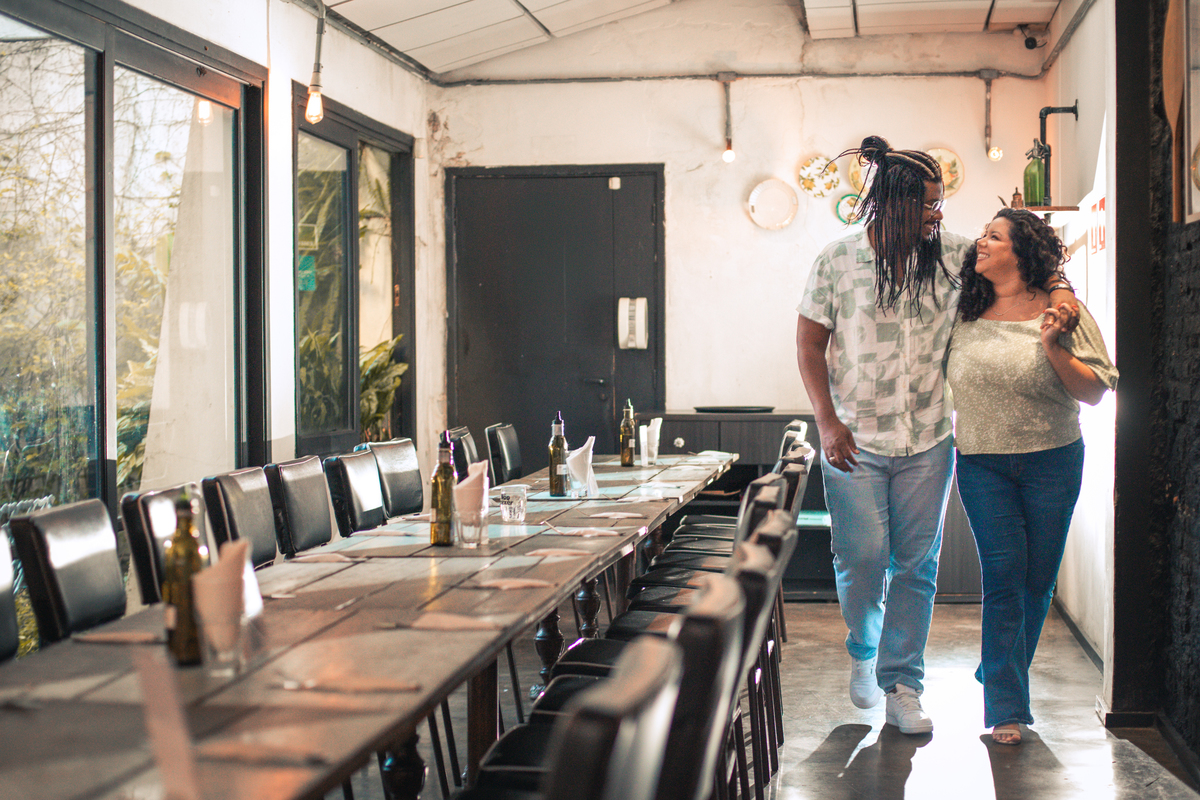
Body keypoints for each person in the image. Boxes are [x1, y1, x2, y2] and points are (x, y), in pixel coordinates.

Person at [795, 136, 1079, 736]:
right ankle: (863, 648)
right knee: (863, 560)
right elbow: (808, 342)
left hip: (928, 438)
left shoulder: (953, 254)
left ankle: (902, 683)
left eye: (939, 202)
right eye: (927, 203)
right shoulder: (835, 260)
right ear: (893, 202)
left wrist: (1061, 294)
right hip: (854, 439)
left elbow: (1033, 258)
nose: (937, 214)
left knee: (916, 565)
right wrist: (826, 419)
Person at [946, 208, 1117, 745]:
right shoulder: (962, 307)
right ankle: (1005, 707)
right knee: (1004, 576)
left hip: (1052, 459)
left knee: (1036, 582)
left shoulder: (1062, 311)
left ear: (1021, 252)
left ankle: (999, 666)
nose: (981, 242)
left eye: (993, 237)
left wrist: (1051, 346)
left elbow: (1093, 391)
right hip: (980, 462)